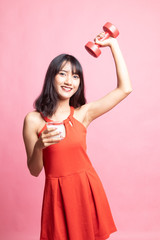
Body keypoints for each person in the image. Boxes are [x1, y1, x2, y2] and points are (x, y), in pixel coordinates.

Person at [23, 32, 132, 240]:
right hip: (57, 196)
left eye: (75, 76)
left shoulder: (83, 113)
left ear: (79, 83)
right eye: (63, 74)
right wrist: (39, 146)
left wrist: (113, 44)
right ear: (51, 77)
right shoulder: (33, 120)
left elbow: (125, 89)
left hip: (86, 189)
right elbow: (34, 170)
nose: (69, 81)